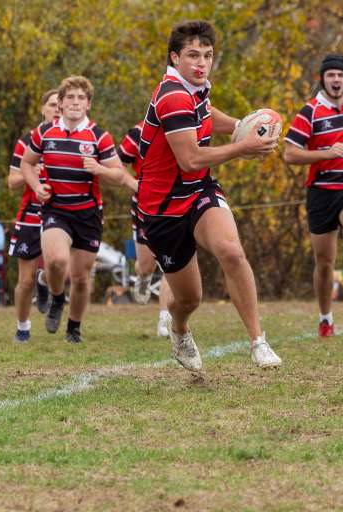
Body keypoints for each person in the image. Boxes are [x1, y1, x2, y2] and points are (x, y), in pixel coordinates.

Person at [134, 20, 282, 371]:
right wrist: (243, 146)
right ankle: (180, 330)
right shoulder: (172, 96)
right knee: (189, 299)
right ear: (175, 58)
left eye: (208, 55)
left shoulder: (195, 87)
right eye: (192, 55)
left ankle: (258, 342)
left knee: (231, 251)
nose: (201, 63)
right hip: (162, 211)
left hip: (199, 191)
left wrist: (241, 124)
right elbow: (190, 158)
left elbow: (206, 114)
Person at [20, 76, 131, 344]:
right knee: (57, 261)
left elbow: (118, 175)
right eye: (70, 97)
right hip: (55, 209)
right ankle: (57, 297)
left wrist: (99, 169)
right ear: (61, 102)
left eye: (81, 98)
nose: (75, 102)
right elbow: (26, 163)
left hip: (88, 213)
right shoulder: (45, 132)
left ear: (88, 104)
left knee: (81, 278)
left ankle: (74, 329)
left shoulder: (98, 136)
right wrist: (36, 185)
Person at [283, 53, 343, 337]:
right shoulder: (310, 112)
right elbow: (290, 154)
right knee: (324, 262)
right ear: (322, 79)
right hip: (321, 192)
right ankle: (325, 317)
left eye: (340, 75)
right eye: (331, 76)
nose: (336, 80)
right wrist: (324, 154)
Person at [8, 88, 60, 342]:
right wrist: (32, 173)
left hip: (61, 214)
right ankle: (22, 326)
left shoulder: (72, 139)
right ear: (42, 109)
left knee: (57, 267)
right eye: (52, 105)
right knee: (25, 279)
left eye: (59, 106)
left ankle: (44, 280)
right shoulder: (27, 140)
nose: (56, 110)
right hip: (31, 213)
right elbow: (12, 182)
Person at [117, 120, 176, 338]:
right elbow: (117, 166)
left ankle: (165, 318)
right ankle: (142, 278)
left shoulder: (188, 126)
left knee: (172, 261)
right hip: (145, 205)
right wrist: (137, 186)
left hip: (178, 201)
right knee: (146, 265)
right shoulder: (138, 132)